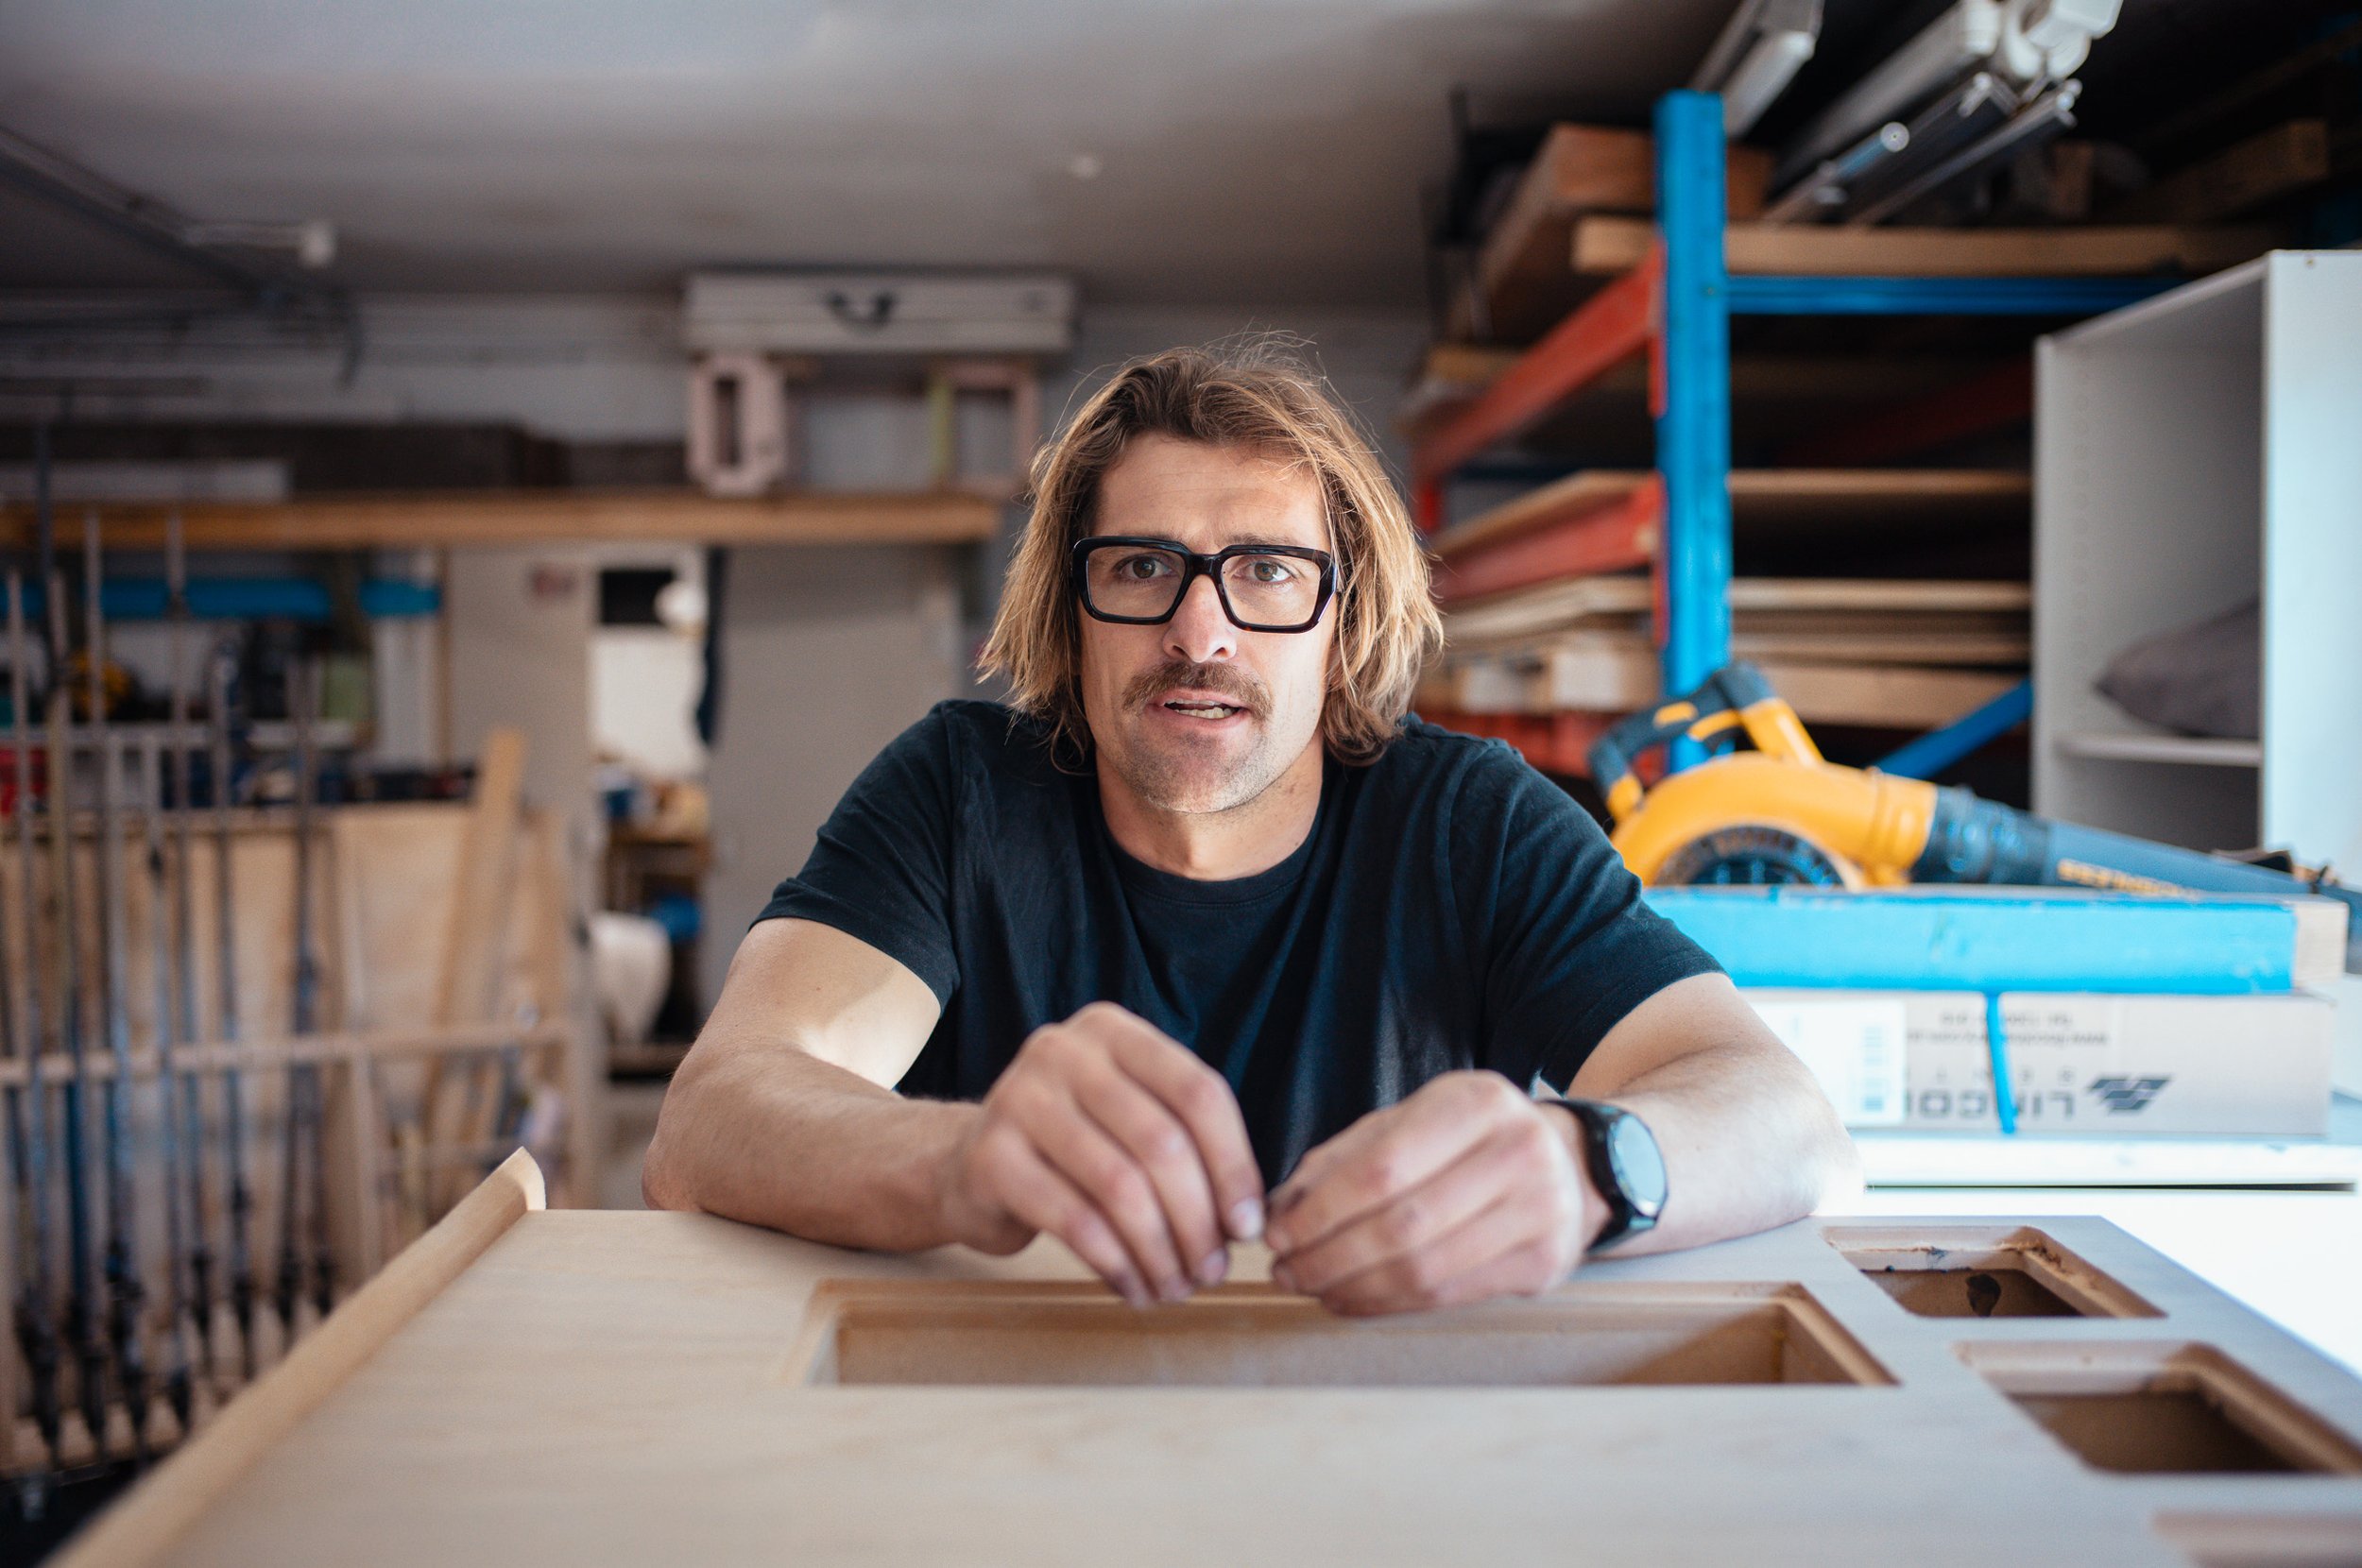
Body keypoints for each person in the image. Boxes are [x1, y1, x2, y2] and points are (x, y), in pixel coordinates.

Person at [643, 343, 1858, 1316]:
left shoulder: (1470, 823)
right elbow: (711, 1119)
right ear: (1072, 611)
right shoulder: (959, 793)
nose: (1200, 632)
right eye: (1141, 568)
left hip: (1375, 1420)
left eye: (1267, 573)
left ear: (1344, 620)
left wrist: (1594, 1168)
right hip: (1013, 1413)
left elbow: (1786, 1119)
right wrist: (960, 1163)